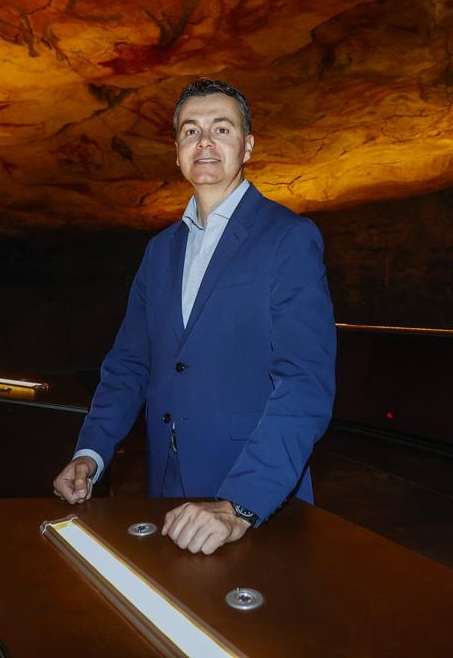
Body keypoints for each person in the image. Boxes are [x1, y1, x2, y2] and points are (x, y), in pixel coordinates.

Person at [52, 78, 336, 554]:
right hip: (166, 488)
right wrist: (91, 451)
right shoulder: (159, 252)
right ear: (177, 150)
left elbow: (305, 382)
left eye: (221, 129)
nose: (205, 142)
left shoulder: (289, 237)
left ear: (247, 146)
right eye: (191, 131)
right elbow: (129, 365)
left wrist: (240, 504)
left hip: (255, 499)